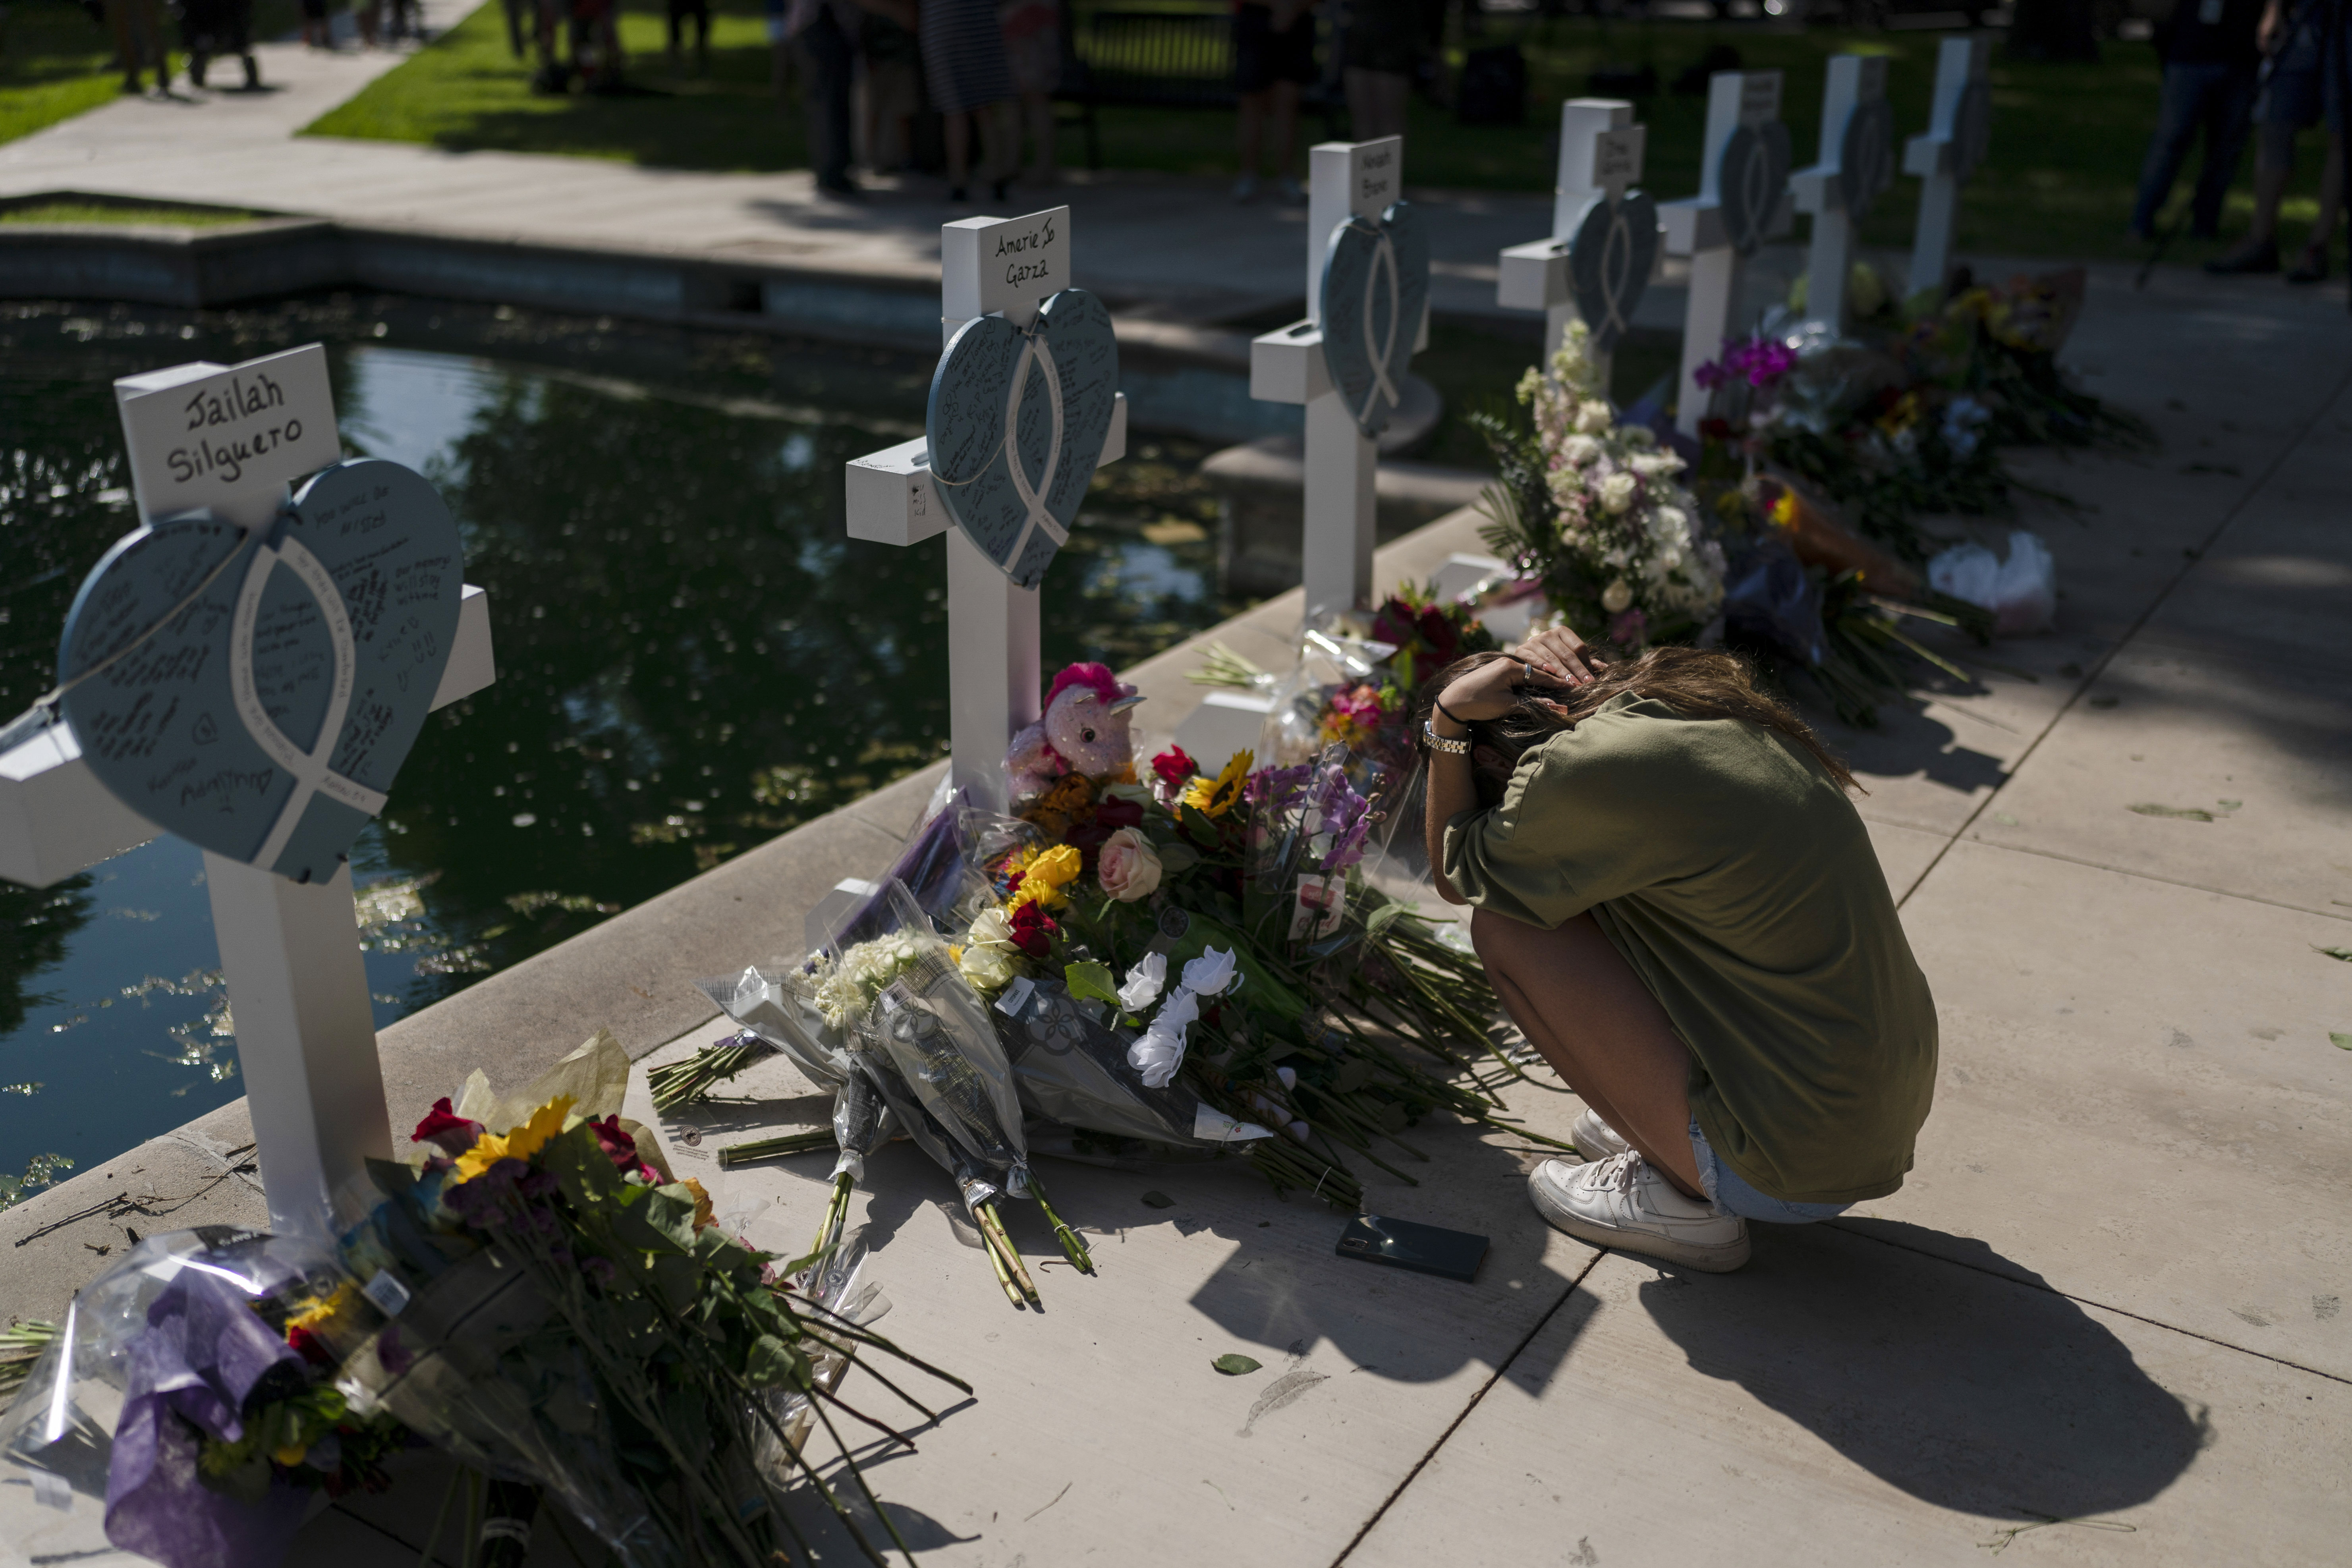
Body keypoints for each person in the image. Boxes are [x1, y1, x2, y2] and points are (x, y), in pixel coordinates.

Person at [1422, 631, 1938, 1273]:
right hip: (1872, 1112)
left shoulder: (1579, 773)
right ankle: (1675, 1127)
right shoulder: (1686, 703)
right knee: (1577, 896)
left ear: (1499, 768)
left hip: (1793, 1162)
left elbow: (1454, 869)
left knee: (1506, 925)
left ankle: (1687, 1195)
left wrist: (1444, 723)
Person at [2209, 0, 2348, 279]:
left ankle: (2317, 248)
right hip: (2308, 14)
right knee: (2275, 122)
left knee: (2344, 132)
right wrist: (2273, 9)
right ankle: (2260, 240)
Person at [2130, 0, 2265, 242]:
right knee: (2171, 141)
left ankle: (2205, 223)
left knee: (2224, 151)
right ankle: (2142, 220)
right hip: (2189, 54)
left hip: (2240, 58)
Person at [919, 0, 1017, 203]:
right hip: (975, 20)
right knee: (983, 107)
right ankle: (994, 177)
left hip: (945, 23)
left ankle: (960, 182)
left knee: (956, 109)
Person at [1234, 0, 1314, 202]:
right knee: (1252, 105)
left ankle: (1287, 177)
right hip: (1255, 24)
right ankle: (1248, 175)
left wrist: (1292, 9)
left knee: (1288, 105)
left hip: (1297, 25)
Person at [788, 0, 860, 195]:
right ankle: (832, 174)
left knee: (824, 104)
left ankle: (829, 171)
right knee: (831, 105)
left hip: (810, 26)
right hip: (821, 26)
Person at [999, 0, 1060, 187]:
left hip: (1030, 30)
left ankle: (1044, 167)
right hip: (1017, 31)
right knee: (1014, 105)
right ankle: (1014, 163)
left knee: (1036, 101)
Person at [1343, 0, 1418, 142]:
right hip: (1360, 37)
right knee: (1361, 117)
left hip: (1394, 36)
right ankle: (1363, 161)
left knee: (1389, 116)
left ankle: (1390, 162)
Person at [180, 0, 258, 87]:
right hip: (203, 29)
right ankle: (197, 76)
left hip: (231, 29)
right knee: (199, 50)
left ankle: (252, 77)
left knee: (243, 47)